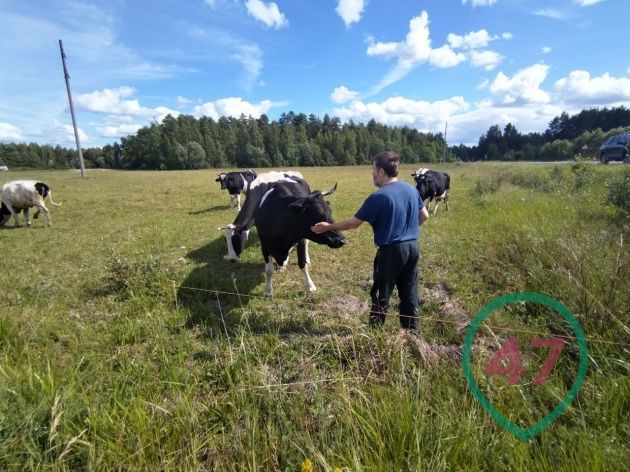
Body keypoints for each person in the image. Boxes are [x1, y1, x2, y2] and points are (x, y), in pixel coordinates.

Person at [311, 151, 430, 334]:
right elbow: (425, 215)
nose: (372, 173)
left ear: (381, 171)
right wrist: (406, 230)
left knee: (382, 291)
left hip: (391, 251)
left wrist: (328, 227)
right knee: (409, 291)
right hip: (413, 247)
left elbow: (354, 223)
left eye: (373, 169)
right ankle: (412, 334)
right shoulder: (411, 190)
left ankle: (375, 332)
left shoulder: (379, 197)